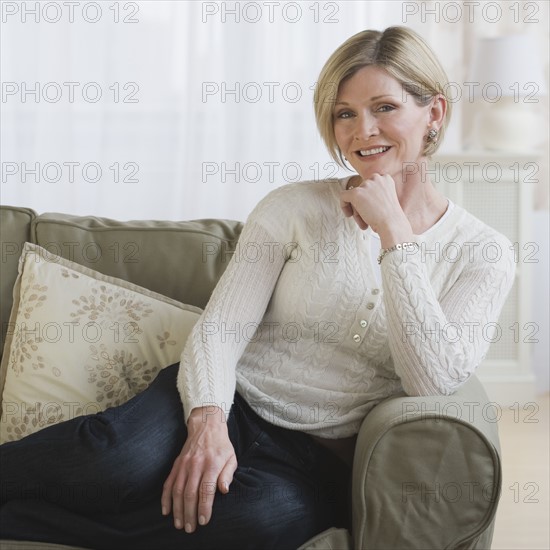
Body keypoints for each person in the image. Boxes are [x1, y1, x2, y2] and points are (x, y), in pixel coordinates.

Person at [0, 26, 515, 549]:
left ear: (434, 113)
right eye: (345, 113)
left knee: (259, 521)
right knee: (114, 458)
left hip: (315, 462)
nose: (363, 130)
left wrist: (395, 237)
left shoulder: (483, 254)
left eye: (384, 107)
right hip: (228, 403)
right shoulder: (293, 208)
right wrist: (208, 426)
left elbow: (431, 381)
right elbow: (220, 330)